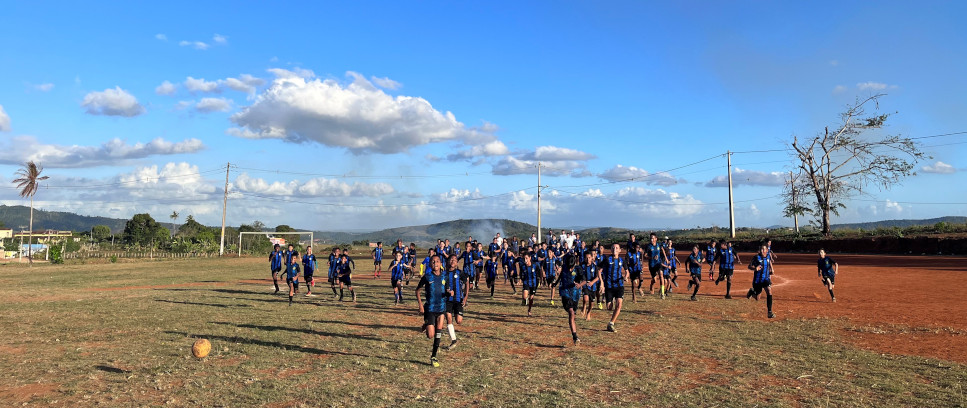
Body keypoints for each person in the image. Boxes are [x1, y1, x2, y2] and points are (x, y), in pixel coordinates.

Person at [415, 255, 449, 367]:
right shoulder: (427, 276)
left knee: (438, 334)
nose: (435, 263)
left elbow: (448, 289)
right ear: (430, 264)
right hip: (430, 308)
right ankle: (426, 323)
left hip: (441, 308)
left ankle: (434, 356)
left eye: (437, 261)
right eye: (433, 261)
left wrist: (450, 293)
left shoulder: (445, 275)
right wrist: (420, 305)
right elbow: (418, 290)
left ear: (441, 264)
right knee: (430, 335)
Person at [551, 248, 586, 345]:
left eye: (572, 267)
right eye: (569, 267)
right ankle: (575, 337)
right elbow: (561, 276)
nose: (570, 269)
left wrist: (580, 285)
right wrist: (555, 283)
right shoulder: (565, 267)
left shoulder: (578, 269)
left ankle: (574, 334)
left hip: (575, 294)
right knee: (571, 313)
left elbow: (584, 280)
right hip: (565, 292)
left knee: (573, 314)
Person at [600, 243, 627, 332]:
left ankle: (611, 323)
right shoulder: (607, 259)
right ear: (611, 250)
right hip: (609, 286)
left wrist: (626, 276)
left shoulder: (622, 260)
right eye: (613, 247)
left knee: (619, 304)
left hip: (619, 285)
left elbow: (627, 271)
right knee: (609, 307)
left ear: (620, 250)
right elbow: (599, 271)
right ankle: (605, 296)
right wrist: (602, 283)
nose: (615, 249)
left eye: (617, 248)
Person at [444, 255, 468, 350]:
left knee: (459, 321)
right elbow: (441, 285)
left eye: (455, 260)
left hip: (458, 300)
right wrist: (447, 291)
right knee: (449, 318)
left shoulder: (460, 273)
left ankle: (456, 315)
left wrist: (465, 297)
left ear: (457, 263)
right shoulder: (444, 274)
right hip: (448, 300)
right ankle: (453, 340)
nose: (453, 261)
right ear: (448, 261)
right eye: (451, 259)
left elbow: (467, 282)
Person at [746, 245, 776, 318]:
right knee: (757, 298)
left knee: (769, 291)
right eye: (761, 249)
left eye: (763, 249)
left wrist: (772, 269)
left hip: (766, 279)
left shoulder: (768, 256)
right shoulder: (756, 257)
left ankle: (769, 312)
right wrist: (755, 268)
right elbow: (749, 266)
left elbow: (769, 263)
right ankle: (751, 292)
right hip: (757, 280)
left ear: (766, 250)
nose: (762, 251)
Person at [644, 233, 668, 299]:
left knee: (661, 275)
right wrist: (652, 257)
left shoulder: (659, 245)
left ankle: (662, 293)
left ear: (656, 239)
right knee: (655, 280)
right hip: (652, 265)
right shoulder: (648, 246)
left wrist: (666, 258)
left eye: (653, 238)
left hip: (658, 263)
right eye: (650, 238)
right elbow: (645, 255)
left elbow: (662, 249)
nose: (651, 239)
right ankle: (651, 284)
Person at [580, 251, 601, 321]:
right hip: (585, 285)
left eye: (589, 258)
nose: (588, 259)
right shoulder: (582, 266)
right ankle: (584, 306)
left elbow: (598, 277)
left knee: (591, 302)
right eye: (586, 258)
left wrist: (592, 282)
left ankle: (588, 313)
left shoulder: (595, 266)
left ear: (592, 258)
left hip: (593, 286)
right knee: (585, 298)